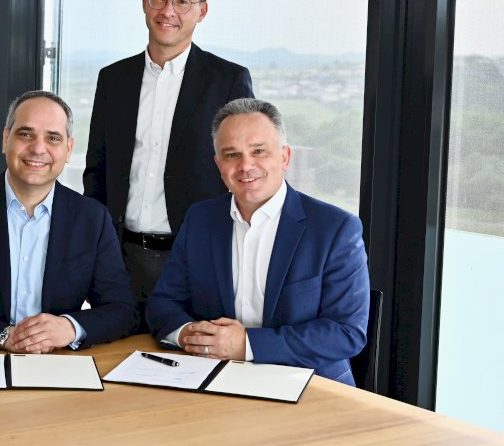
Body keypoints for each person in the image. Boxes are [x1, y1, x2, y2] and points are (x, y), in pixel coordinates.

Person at [84, 0, 254, 330]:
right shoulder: (113, 79)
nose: (168, 11)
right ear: (145, 2)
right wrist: (98, 248)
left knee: (188, 357)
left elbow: (241, 176)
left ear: (201, 11)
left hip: (194, 260)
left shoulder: (227, 80)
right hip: (120, 261)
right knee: (116, 357)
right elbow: (97, 170)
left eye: (182, 1)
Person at [145, 98, 369, 384]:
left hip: (310, 385)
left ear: (285, 157)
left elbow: (346, 333)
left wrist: (246, 345)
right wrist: (189, 334)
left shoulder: (335, 228)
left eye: (259, 151)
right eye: (231, 155)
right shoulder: (200, 219)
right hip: (215, 378)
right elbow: (164, 302)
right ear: (218, 164)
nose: (246, 166)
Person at [0, 90, 138, 352]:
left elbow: (122, 310)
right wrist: (4, 336)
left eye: (53, 138)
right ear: (5, 139)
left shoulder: (92, 218)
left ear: (68, 149)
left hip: (54, 363)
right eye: (25, 134)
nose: (38, 148)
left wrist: (69, 328)